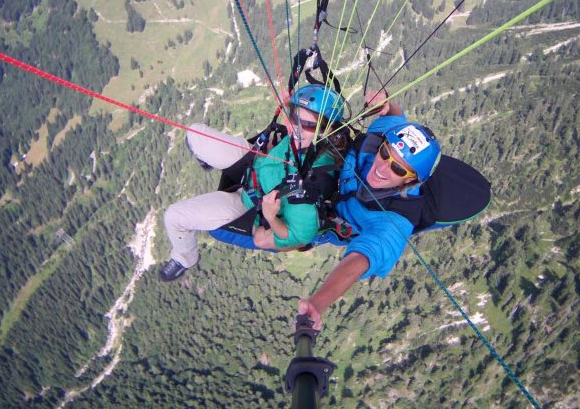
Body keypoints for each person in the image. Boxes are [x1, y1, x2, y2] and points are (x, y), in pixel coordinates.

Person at [158, 84, 346, 281]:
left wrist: (271, 218)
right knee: (195, 134)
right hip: (255, 163)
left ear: (329, 129)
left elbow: (298, 238)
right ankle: (207, 159)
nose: (296, 128)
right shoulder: (308, 139)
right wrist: (289, 106)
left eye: (307, 124)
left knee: (174, 217)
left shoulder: (310, 190)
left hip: (248, 205)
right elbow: (296, 129)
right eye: (294, 117)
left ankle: (184, 257)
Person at [297, 91, 442, 329]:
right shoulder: (379, 139)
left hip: (328, 216)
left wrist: (318, 303)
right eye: (385, 154)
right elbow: (396, 116)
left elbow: (363, 257)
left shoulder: (395, 219)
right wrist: (386, 101)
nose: (382, 168)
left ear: (412, 181)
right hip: (326, 171)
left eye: (398, 169)